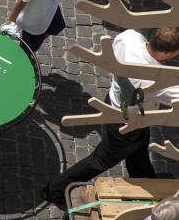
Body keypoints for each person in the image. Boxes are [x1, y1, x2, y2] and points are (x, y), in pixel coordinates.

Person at [43, 27, 179, 206]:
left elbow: (114, 50)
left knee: (138, 148)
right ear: (170, 53)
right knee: (101, 160)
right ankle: (55, 189)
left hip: (113, 104)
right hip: (127, 123)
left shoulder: (130, 37)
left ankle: (146, 180)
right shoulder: (160, 79)